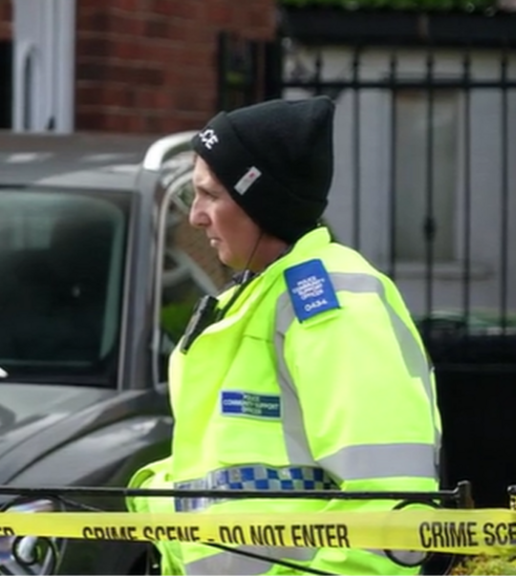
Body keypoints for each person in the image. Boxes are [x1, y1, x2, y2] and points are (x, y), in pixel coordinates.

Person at [126, 96, 444, 575]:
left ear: (261, 199)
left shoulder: (331, 302)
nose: (195, 216)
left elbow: (388, 504)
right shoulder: (262, 293)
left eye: (211, 195)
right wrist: (149, 496)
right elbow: (235, 470)